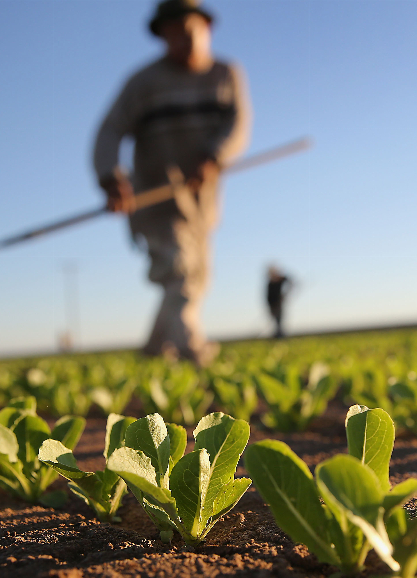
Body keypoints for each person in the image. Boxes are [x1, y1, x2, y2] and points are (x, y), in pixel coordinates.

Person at [93, 0, 251, 366]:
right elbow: (110, 130)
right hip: (155, 197)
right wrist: (109, 176)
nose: (183, 39)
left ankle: (153, 350)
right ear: (162, 36)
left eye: (190, 29)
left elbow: (238, 125)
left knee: (196, 275)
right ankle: (192, 351)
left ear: (206, 28)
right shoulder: (143, 83)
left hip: (202, 200)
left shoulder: (226, 74)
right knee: (179, 271)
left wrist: (214, 155)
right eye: (173, 32)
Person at [266, 265, 291, 338]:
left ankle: (280, 335)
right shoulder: (270, 283)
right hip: (272, 305)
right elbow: (268, 297)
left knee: (280, 320)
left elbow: (290, 282)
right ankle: (278, 335)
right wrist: (270, 307)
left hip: (279, 304)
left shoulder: (281, 279)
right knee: (276, 321)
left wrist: (285, 294)